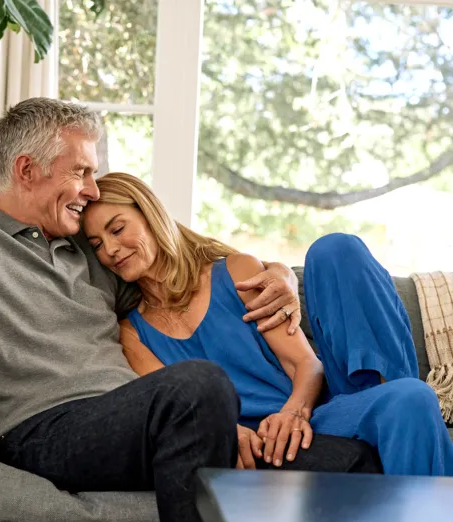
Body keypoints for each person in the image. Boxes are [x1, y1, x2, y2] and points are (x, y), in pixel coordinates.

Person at [0, 98, 379, 522]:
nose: (90, 187)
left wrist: (281, 273)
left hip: (135, 424)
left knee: (356, 463)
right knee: (198, 386)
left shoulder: (92, 253)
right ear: (27, 169)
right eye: (79, 170)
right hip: (37, 429)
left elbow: (188, 267)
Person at [82, 171, 453, 476]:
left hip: (313, 413)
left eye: (117, 229)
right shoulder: (132, 334)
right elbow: (178, 410)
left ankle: (388, 406)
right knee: (414, 398)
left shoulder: (236, 272)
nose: (110, 250)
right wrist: (229, 433)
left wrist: (292, 413)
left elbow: (305, 363)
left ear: (150, 215)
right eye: (96, 244)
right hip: (261, 442)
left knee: (336, 249)